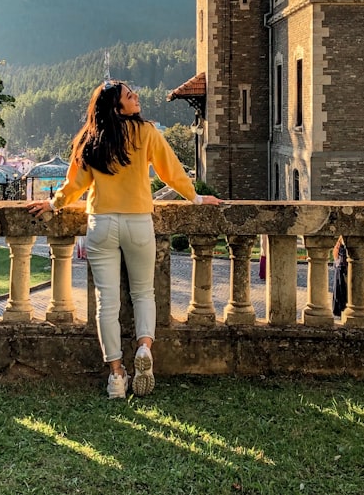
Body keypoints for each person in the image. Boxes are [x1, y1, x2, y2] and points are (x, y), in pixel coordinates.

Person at [27, 80, 222, 399]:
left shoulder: (90, 138)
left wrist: (52, 203)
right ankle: (144, 349)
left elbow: (75, 184)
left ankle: (116, 375)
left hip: (101, 223)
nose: (137, 97)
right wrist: (196, 199)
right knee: (144, 293)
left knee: (107, 302)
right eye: (130, 96)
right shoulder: (145, 132)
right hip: (138, 222)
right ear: (119, 108)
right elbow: (170, 171)